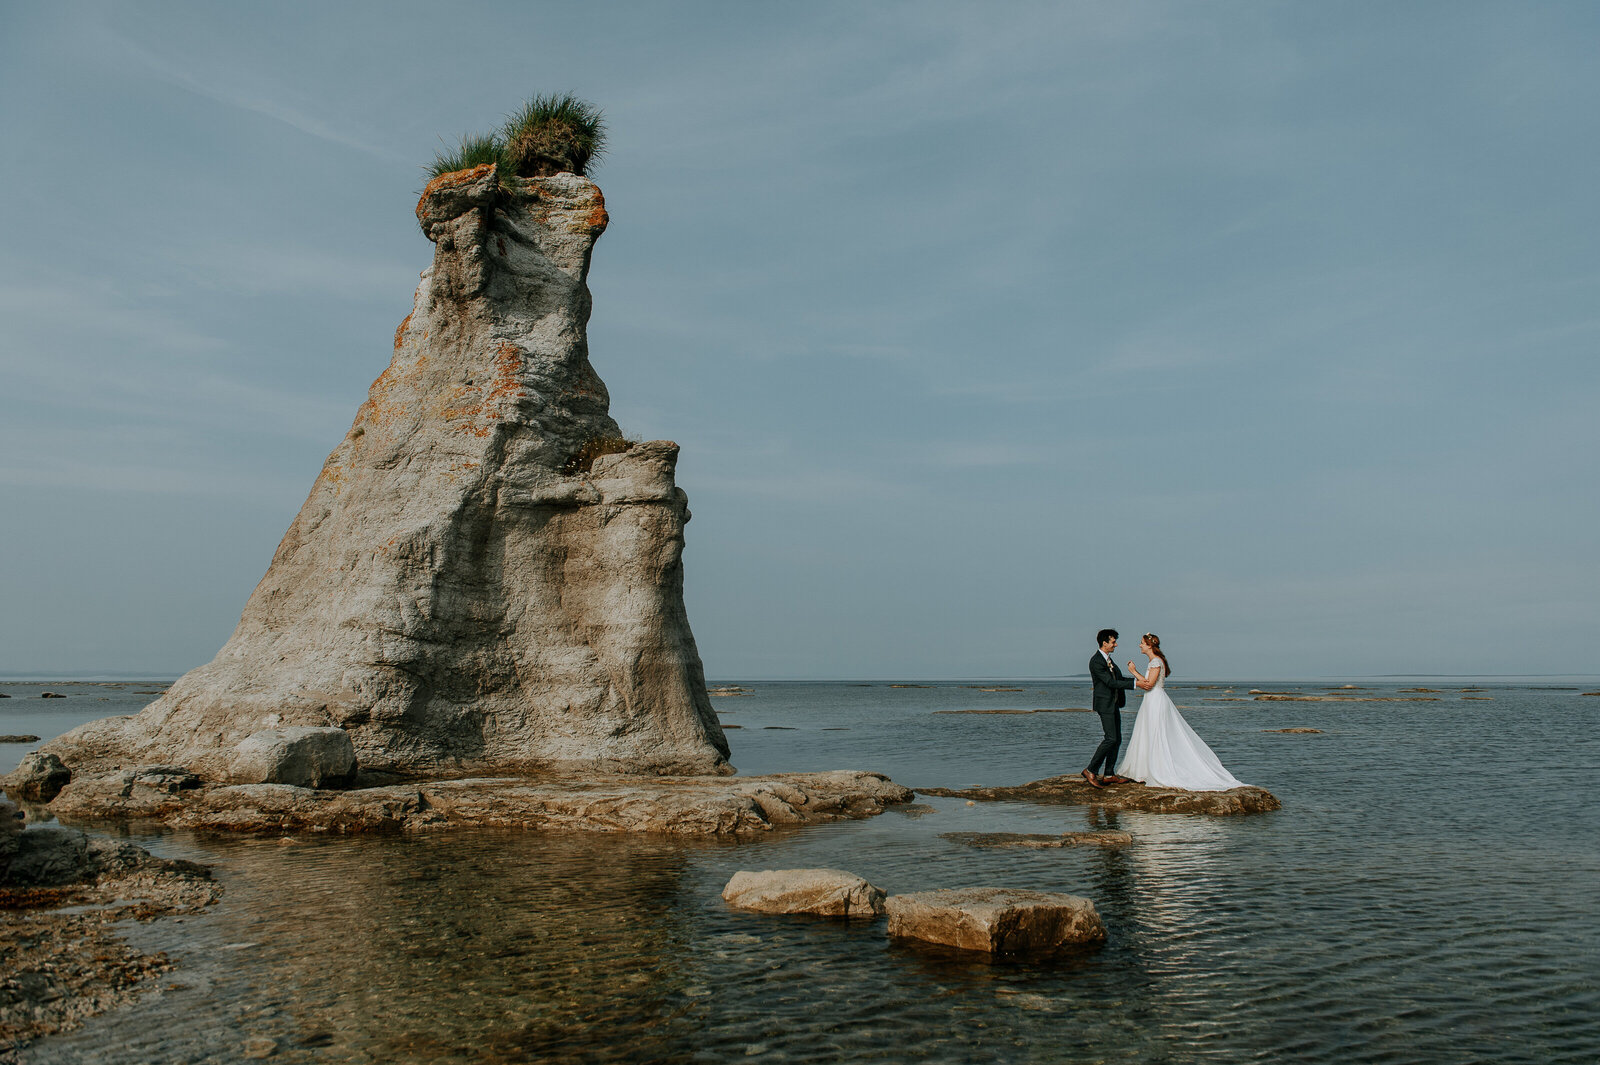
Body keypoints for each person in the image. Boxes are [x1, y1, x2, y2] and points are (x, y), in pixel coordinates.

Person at [1116, 633, 1248, 791]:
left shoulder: (1156, 662)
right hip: (1151, 701)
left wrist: (1133, 671)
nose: (1140, 645)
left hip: (1155, 700)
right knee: (1148, 733)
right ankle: (1145, 770)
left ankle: (1157, 770)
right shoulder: (1155, 661)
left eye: (1142, 643)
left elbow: (1149, 684)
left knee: (1157, 734)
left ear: (1149, 645)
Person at [1083, 628, 1136, 788]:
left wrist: (1139, 679)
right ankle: (1091, 770)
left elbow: (1118, 678)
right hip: (1104, 704)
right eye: (1113, 642)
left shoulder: (1109, 660)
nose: (1116, 645)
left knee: (1117, 739)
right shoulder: (1096, 661)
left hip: (1114, 703)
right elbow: (1110, 682)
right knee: (1111, 738)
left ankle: (1109, 774)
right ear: (1104, 643)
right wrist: (1135, 684)